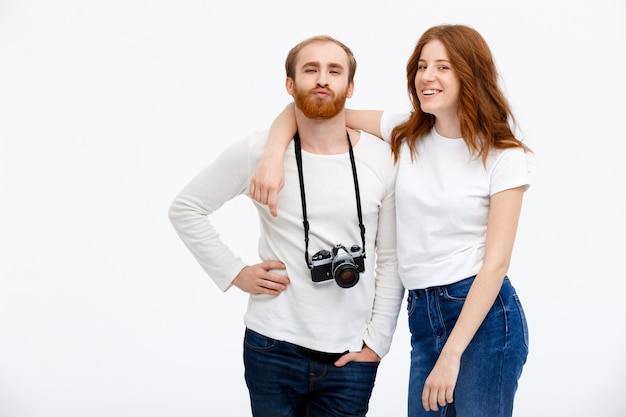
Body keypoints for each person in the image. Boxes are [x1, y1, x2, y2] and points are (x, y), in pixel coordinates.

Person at [249, 24, 531, 417]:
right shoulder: (406, 131)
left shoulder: (502, 155)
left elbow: (497, 264)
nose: (427, 77)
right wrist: (271, 155)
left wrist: (451, 355)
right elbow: (317, 106)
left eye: (443, 67)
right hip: (422, 314)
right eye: (421, 65)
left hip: (482, 318)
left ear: (471, 73)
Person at [168, 35, 404, 417]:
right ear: (290, 85)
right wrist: (235, 272)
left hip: (352, 354)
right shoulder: (259, 153)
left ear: (351, 86)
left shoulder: (381, 158)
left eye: (334, 70)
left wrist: (378, 342)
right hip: (272, 344)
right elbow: (186, 209)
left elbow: (391, 259)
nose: (322, 79)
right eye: (311, 70)